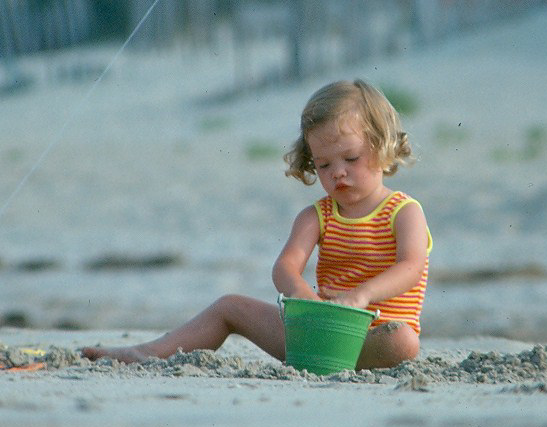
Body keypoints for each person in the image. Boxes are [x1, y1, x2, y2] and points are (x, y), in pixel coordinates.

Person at [82, 79, 432, 369]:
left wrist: (362, 296)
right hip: (313, 334)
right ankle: (147, 353)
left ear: (381, 145)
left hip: (372, 334)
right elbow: (285, 266)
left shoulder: (403, 211)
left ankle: (336, 363)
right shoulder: (318, 215)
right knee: (229, 305)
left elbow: (412, 266)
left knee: (403, 340)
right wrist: (303, 296)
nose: (337, 172)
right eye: (323, 165)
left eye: (350, 158)